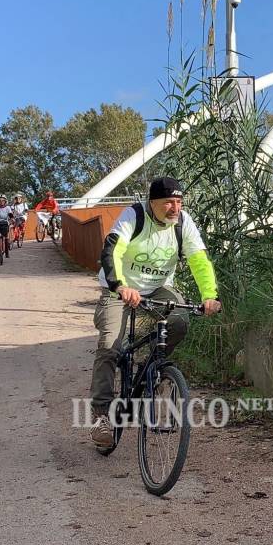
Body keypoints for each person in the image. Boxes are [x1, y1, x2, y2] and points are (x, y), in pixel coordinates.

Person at [89, 177, 221, 448]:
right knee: (109, 345)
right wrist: (119, 285)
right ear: (153, 202)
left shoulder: (183, 223)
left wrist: (210, 295)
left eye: (179, 201)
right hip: (120, 288)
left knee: (180, 320)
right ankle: (102, 415)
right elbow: (112, 248)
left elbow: (199, 260)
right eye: (168, 202)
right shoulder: (134, 215)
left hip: (159, 288)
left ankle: (148, 368)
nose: (175, 207)